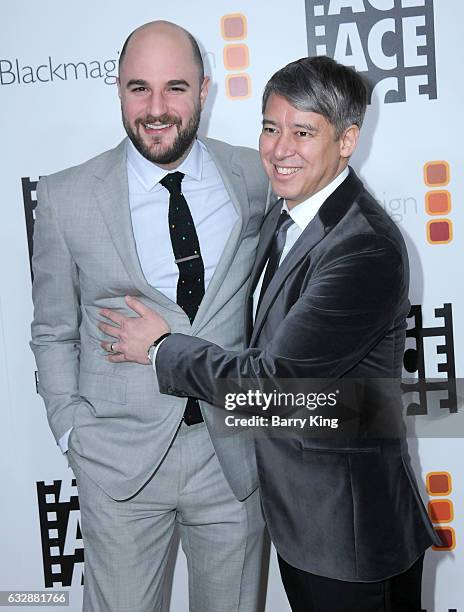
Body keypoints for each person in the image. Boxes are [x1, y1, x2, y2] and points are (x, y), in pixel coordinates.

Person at [98, 56, 440, 612]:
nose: (279, 150)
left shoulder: (363, 247)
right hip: (305, 519)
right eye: (270, 127)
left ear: (348, 139)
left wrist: (161, 349)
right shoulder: (291, 214)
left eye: (303, 132)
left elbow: (273, 384)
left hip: (349, 536)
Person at [30, 20, 270, 612]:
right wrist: (72, 430)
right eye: (140, 88)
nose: (157, 108)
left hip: (231, 457)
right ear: (117, 89)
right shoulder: (66, 197)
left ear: (205, 89)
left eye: (175, 88)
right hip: (117, 463)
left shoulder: (257, 177)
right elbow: (52, 329)